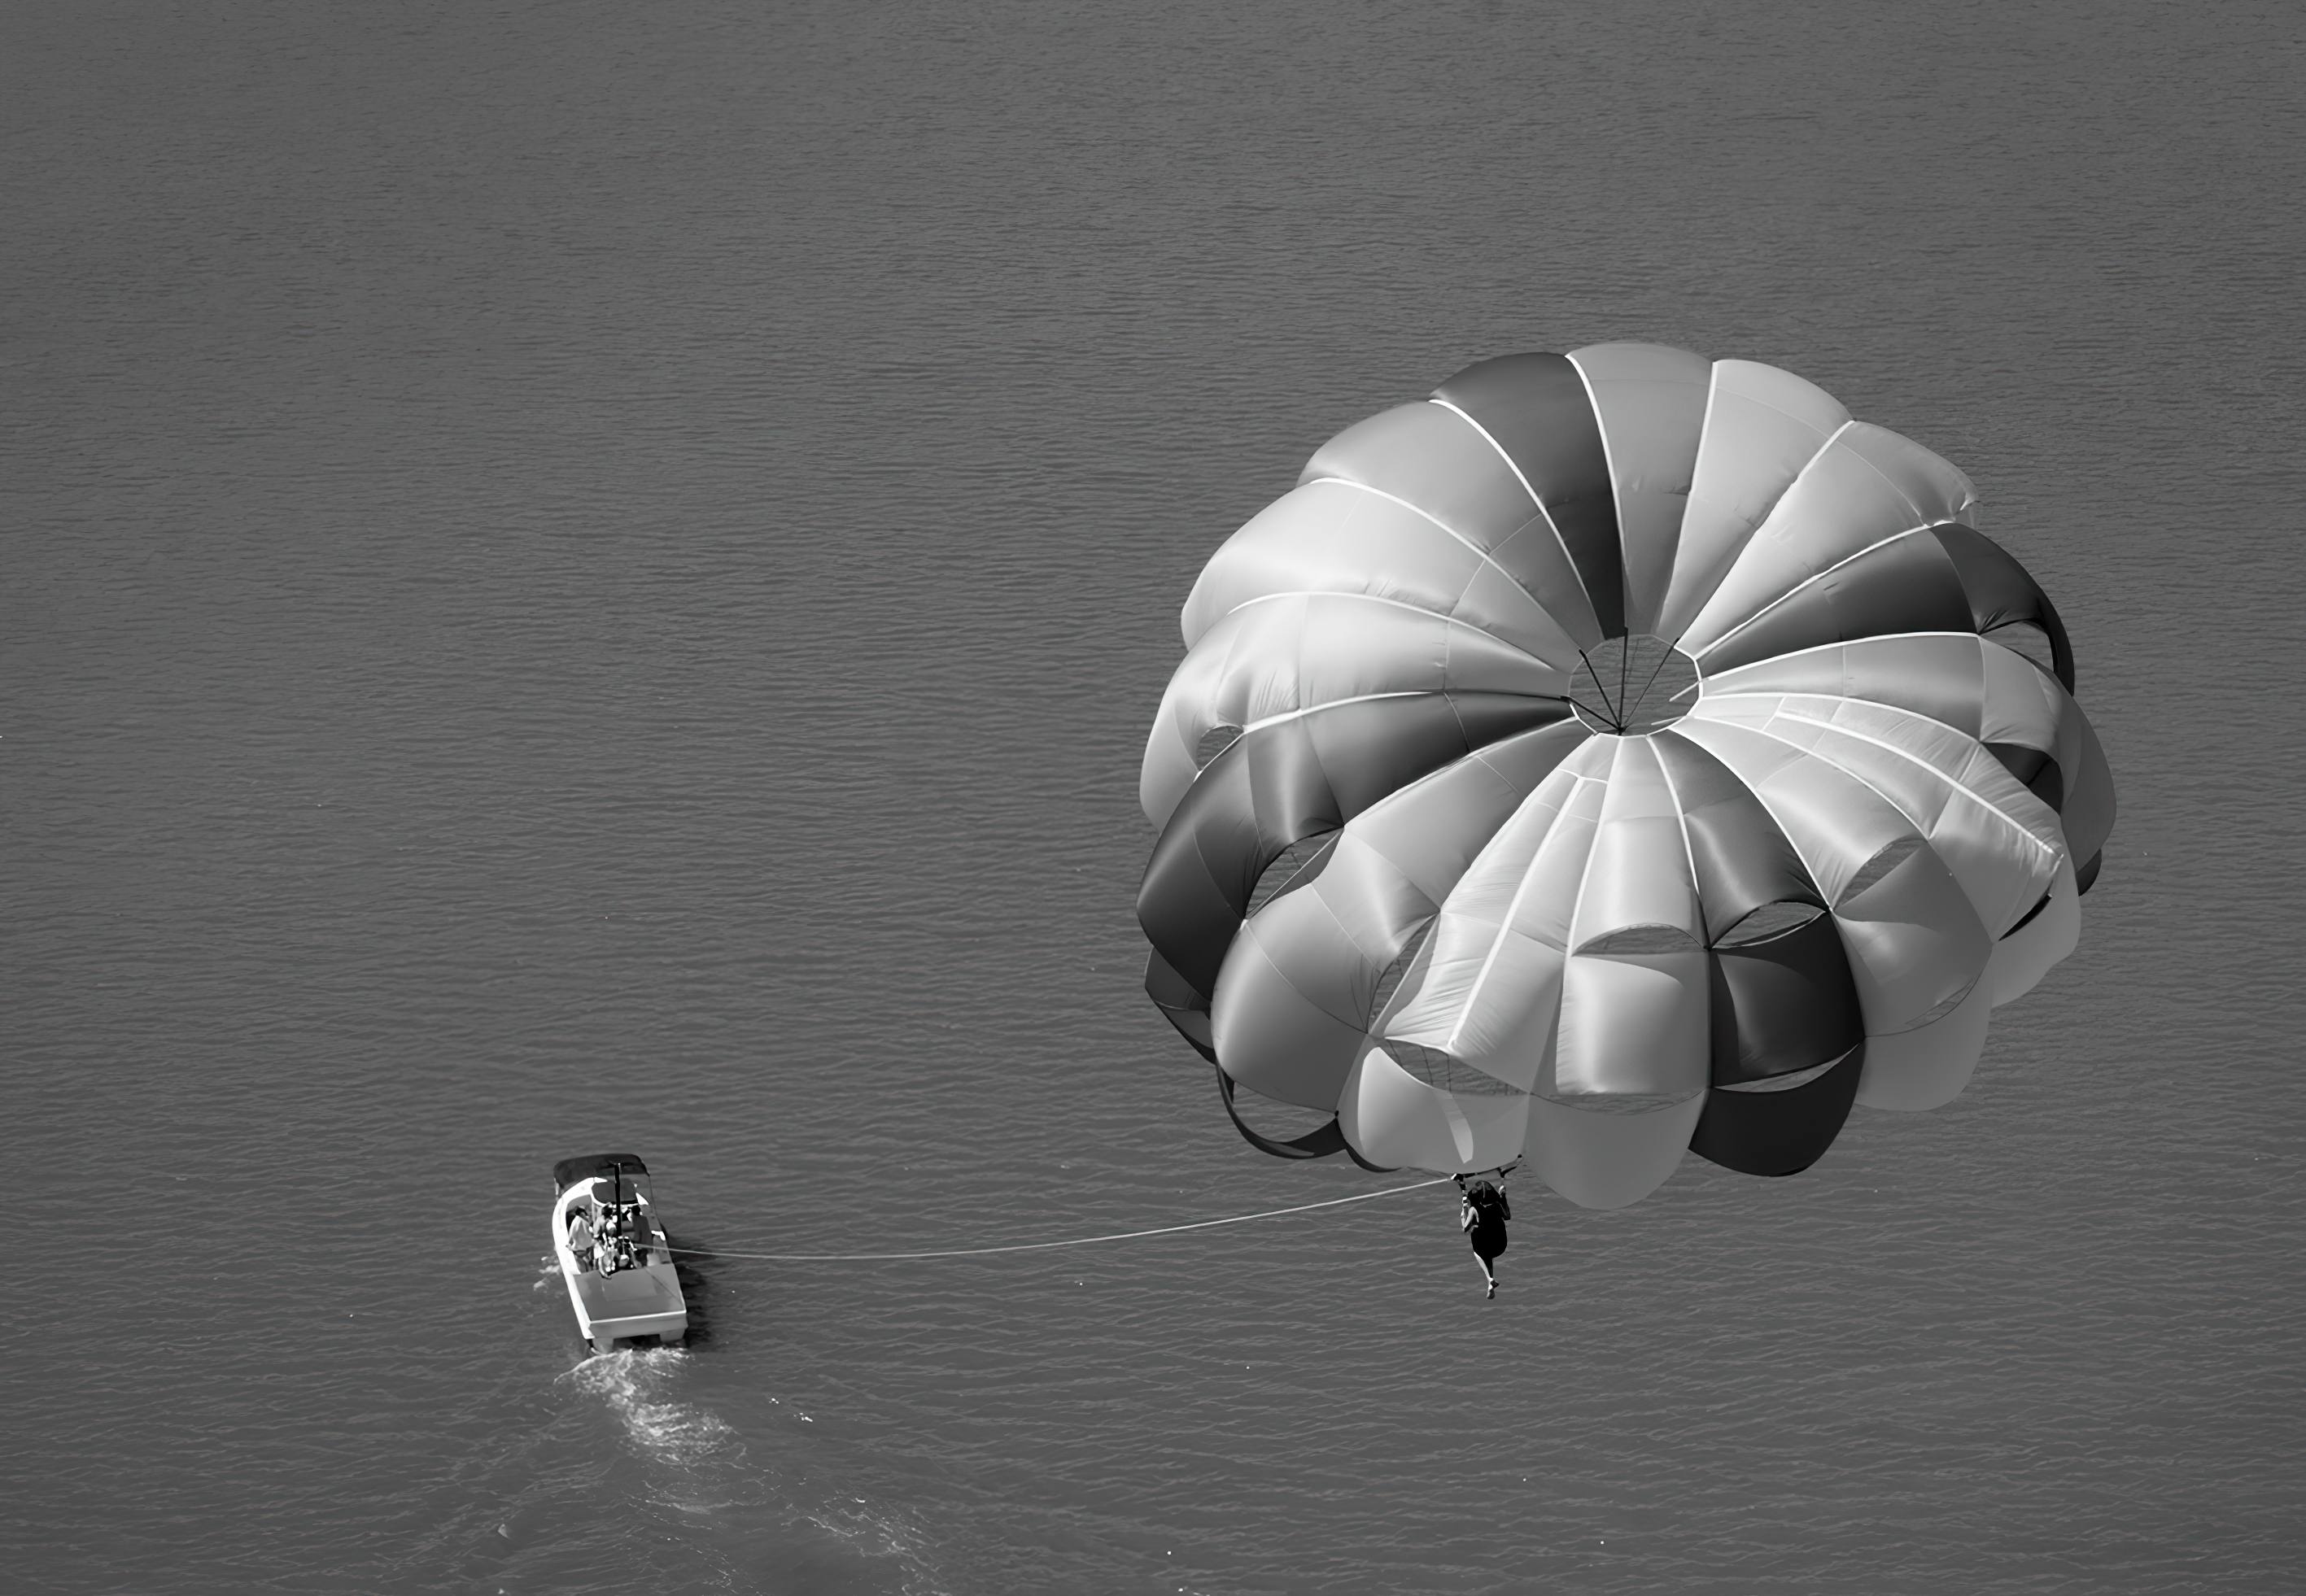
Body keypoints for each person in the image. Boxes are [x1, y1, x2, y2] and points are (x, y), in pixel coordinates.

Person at [1458, 1175, 1511, 1297]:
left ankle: (1489, 1278)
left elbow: (1465, 1229)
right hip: (1500, 1245)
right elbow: (1508, 1216)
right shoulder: (1497, 1205)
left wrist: (1464, 1212)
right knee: (1487, 1249)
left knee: (1478, 1251)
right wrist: (1503, 1198)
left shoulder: (1474, 1209)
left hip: (1485, 1247)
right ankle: (1490, 1284)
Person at [566, 1206, 597, 1273]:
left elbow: (571, 1236)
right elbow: (592, 1232)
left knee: (570, 1248)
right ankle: (590, 1264)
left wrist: (569, 1245)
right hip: (588, 1247)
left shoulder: (575, 1223)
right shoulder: (587, 1220)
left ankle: (587, 1264)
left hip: (580, 1250)